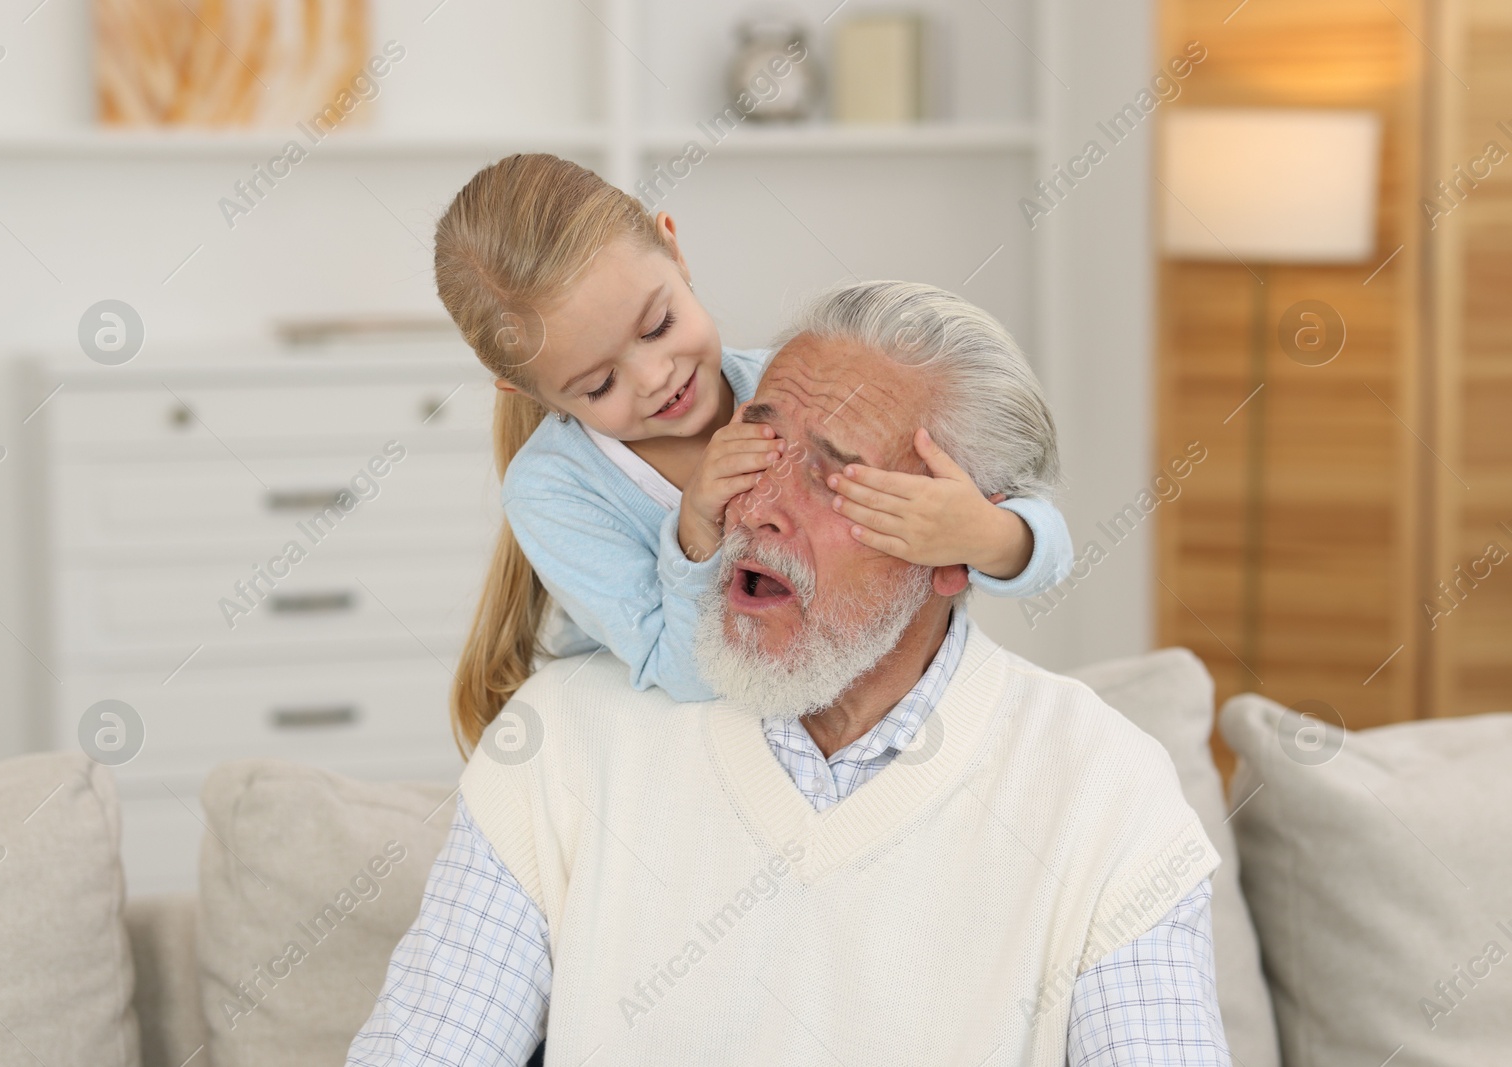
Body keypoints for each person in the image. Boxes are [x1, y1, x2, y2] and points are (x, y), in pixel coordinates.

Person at [347, 281, 1232, 1066]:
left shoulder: (1106, 788)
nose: (759, 508)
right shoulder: (562, 743)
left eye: (833, 478)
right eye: (752, 448)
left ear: (957, 548)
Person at [433, 154, 1074, 754]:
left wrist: (988, 534)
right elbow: (680, 673)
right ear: (526, 389)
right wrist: (693, 532)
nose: (657, 376)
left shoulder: (790, 386)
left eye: (657, 327)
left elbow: (1051, 546)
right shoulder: (552, 490)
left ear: (674, 249)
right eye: (599, 385)